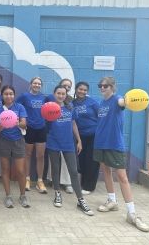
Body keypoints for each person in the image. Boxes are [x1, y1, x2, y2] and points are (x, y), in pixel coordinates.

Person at [94, 77, 149, 232]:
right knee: (105, 172)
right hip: (100, 143)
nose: (102, 88)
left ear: (112, 87)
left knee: (122, 177)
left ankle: (132, 213)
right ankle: (112, 201)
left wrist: (127, 100)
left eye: (105, 86)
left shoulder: (116, 99)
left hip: (114, 144)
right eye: (100, 86)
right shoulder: (102, 103)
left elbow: (123, 102)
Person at [46, 85, 93, 216]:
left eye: (63, 94)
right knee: (55, 169)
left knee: (73, 171)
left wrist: (79, 140)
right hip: (53, 142)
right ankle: (57, 193)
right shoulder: (48, 108)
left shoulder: (70, 108)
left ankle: (80, 200)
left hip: (68, 143)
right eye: (58, 93)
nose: (61, 96)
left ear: (66, 95)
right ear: (54, 94)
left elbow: (73, 124)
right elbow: (46, 124)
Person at [0, 85, 30, 208]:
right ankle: (8, 196)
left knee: (21, 171)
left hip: (18, 141)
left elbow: (24, 125)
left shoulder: (20, 107)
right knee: (5, 170)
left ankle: (23, 196)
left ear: (14, 95)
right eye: (6, 94)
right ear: (2, 96)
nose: (8, 96)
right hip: (3, 141)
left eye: (11, 94)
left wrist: (17, 123)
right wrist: (3, 124)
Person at [17, 77, 47, 194]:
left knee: (40, 156)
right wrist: (21, 121)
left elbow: (58, 103)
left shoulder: (45, 97)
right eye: (35, 83)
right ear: (31, 84)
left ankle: (40, 181)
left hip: (41, 128)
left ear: (41, 86)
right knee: (28, 155)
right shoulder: (24, 96)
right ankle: (27, 179)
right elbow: (16, 107)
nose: (37, 85)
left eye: (39, 84)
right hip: (29, 129)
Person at [45, 78, 73, 193]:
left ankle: (67, 183)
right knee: (54, 162)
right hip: (53, 137)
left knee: (67, 162)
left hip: (67, 138)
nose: (66, 88)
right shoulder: (50, 101)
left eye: (68, 87)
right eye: (64, 86)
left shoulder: (70, 102)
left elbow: (73, 121)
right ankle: (53, 180)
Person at [72, 81, 100, 195]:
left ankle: (89, 187)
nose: (82, 91)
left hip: (93, 135)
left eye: (84, 90)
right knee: (82, 161)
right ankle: (83, 184)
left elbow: (101, 117)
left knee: (91, 161)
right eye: (80, 89)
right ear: (76, 89)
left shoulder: (92, 102)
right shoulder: (72, 103)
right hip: (79, 136)